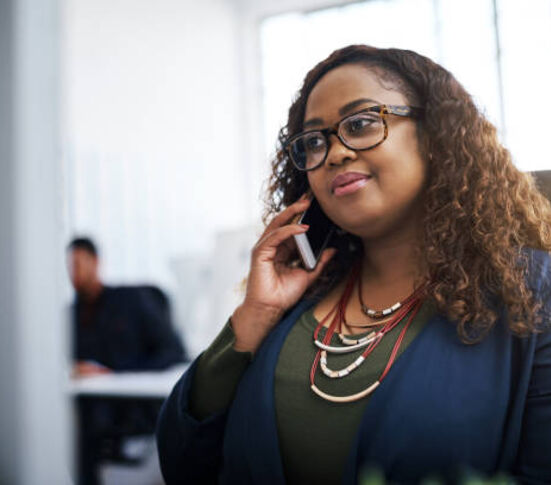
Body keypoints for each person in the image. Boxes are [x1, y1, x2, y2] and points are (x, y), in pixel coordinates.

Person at [155, 45, 551, 484]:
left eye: (360, 124)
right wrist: (255, 316)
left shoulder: (530, 289)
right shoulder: (300, 299)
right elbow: (182, 461)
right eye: (314, 141)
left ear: (436, 134)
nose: (335, 154)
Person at [68, 237, 186, 485]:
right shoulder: (71, 313)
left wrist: (111, 372)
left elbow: (174, 352)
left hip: (129, 408)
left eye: (78, 263)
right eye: (69, 266)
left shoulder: (131, 301)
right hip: (87, 405)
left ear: (96, 262)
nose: (73, 272)